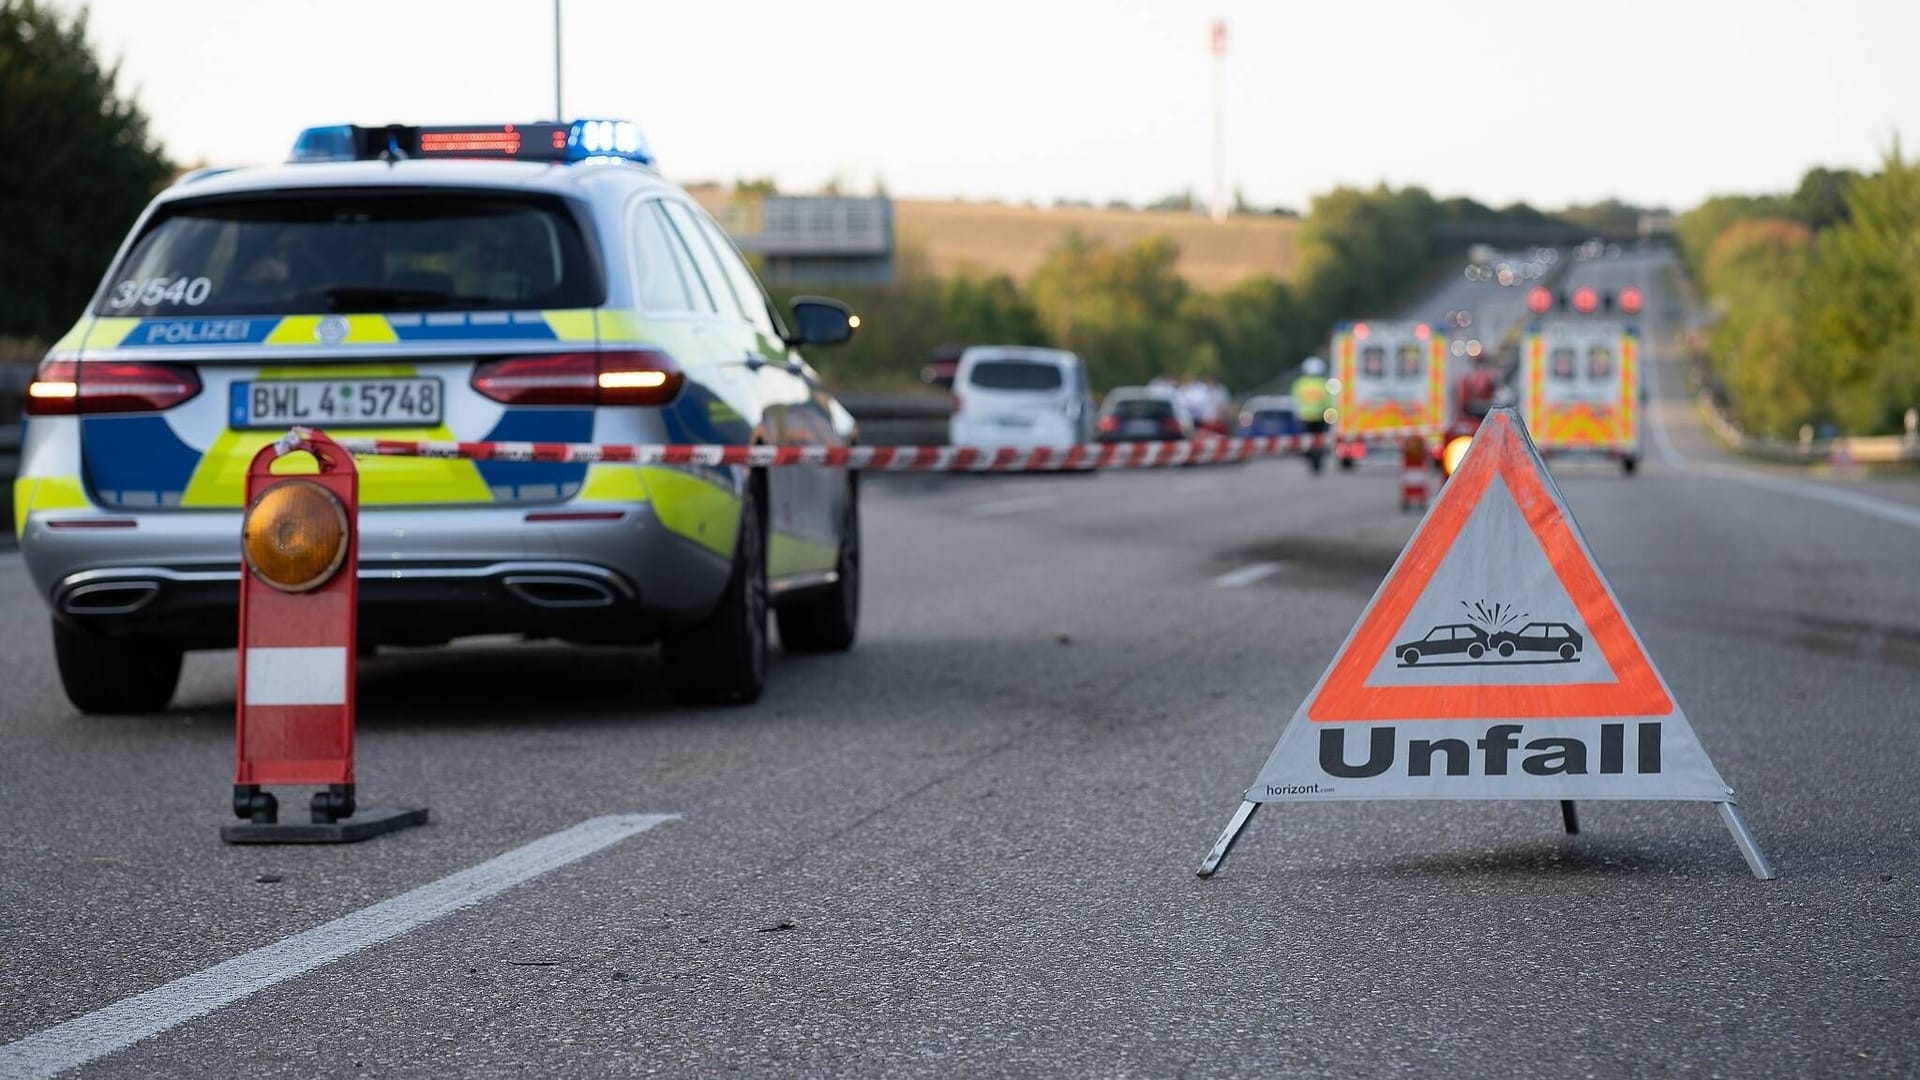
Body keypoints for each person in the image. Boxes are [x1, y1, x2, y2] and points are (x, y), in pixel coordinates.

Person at [1290, 357, 1334, 473]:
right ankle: (1317, 457)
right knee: (1320, 440)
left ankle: (1308, 455)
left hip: (1305, 417)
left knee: (1307, 440)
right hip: (1320, 417)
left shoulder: (1300, 384)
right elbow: (1329, 401)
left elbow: (1295, 400)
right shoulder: (1323, 383)